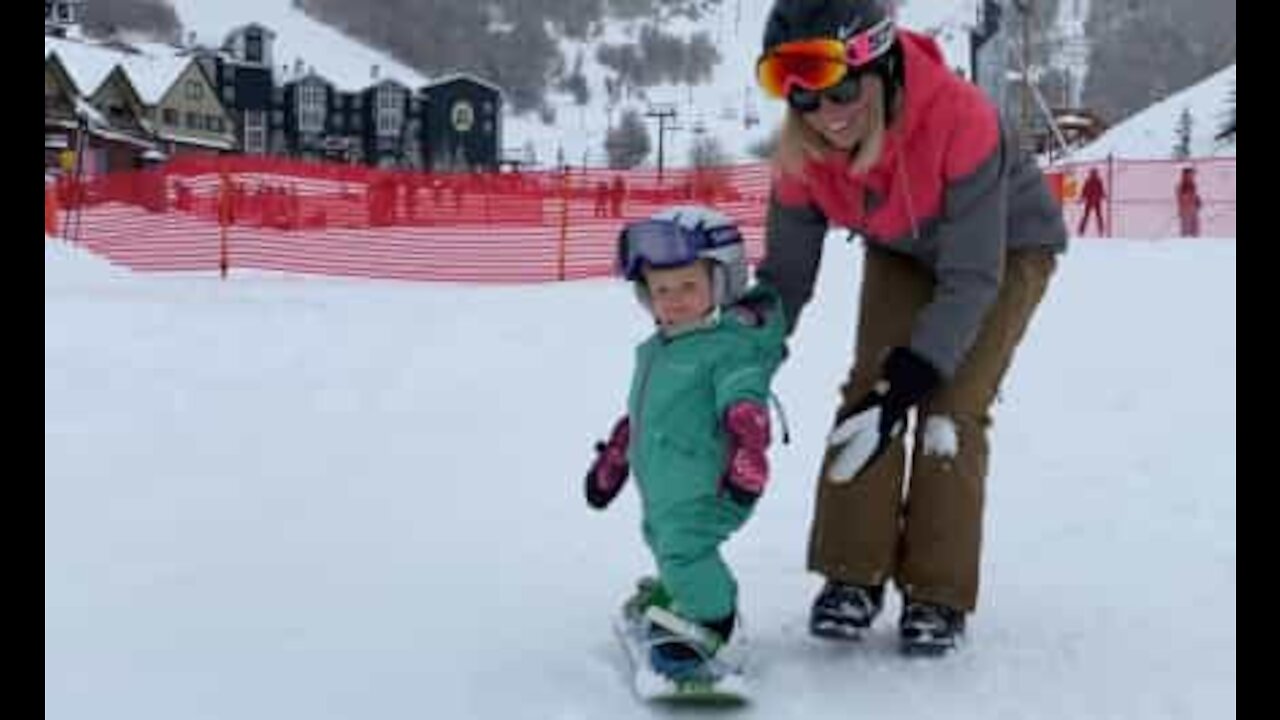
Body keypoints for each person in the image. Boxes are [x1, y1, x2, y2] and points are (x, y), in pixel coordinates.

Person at [752, 0, 1068, 655]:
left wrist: (915, 374)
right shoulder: (802, 152)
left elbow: (973, 278)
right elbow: (784, 278)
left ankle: (937, 592)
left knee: (948, 403)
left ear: (881, 67)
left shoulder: (961, 118)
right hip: (901, 245)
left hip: (1004, 249)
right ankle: (852, 575)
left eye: (841, 89)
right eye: (804, 99)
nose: (827, 113)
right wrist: (738, 361)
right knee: (870, 389)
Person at [584, 206, 787, 680]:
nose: (672, 300)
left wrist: (747, 437)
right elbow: (647, 411)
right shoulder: (660, 347)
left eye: (688, 287)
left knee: (685, 551)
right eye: (661, 290)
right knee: (660, 538)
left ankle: (716, 626)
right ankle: (684, 594)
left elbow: (743, 389)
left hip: (714, 484)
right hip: (668, 487)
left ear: (720, 284)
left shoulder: (726, 347)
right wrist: (618, 452)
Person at [1078, 168, 1106, 236]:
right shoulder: (1089, 182)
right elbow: (1084, 191)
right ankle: (1081, 230)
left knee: (1098, 216)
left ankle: (1101, 230)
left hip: (1096, 201)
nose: (1094, 175)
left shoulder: (1098, 181)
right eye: (1093, 173)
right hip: (1090, 201)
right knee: (1087, 216)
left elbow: (1101, 190)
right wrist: (1081, 198)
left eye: (1094, 173)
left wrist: (1103, 195)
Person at [1176, 166, 1202, 237]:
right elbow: (1182, 198)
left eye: (1193, 174)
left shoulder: (1193, 184)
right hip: (1186, 211)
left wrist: (1197, 200)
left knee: (1195, 230)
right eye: (1191, 174)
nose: (1192, 176)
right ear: (1186, 175)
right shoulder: (1182, 185)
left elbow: (1193, 196)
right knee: (1186, 231)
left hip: (1193, 210)